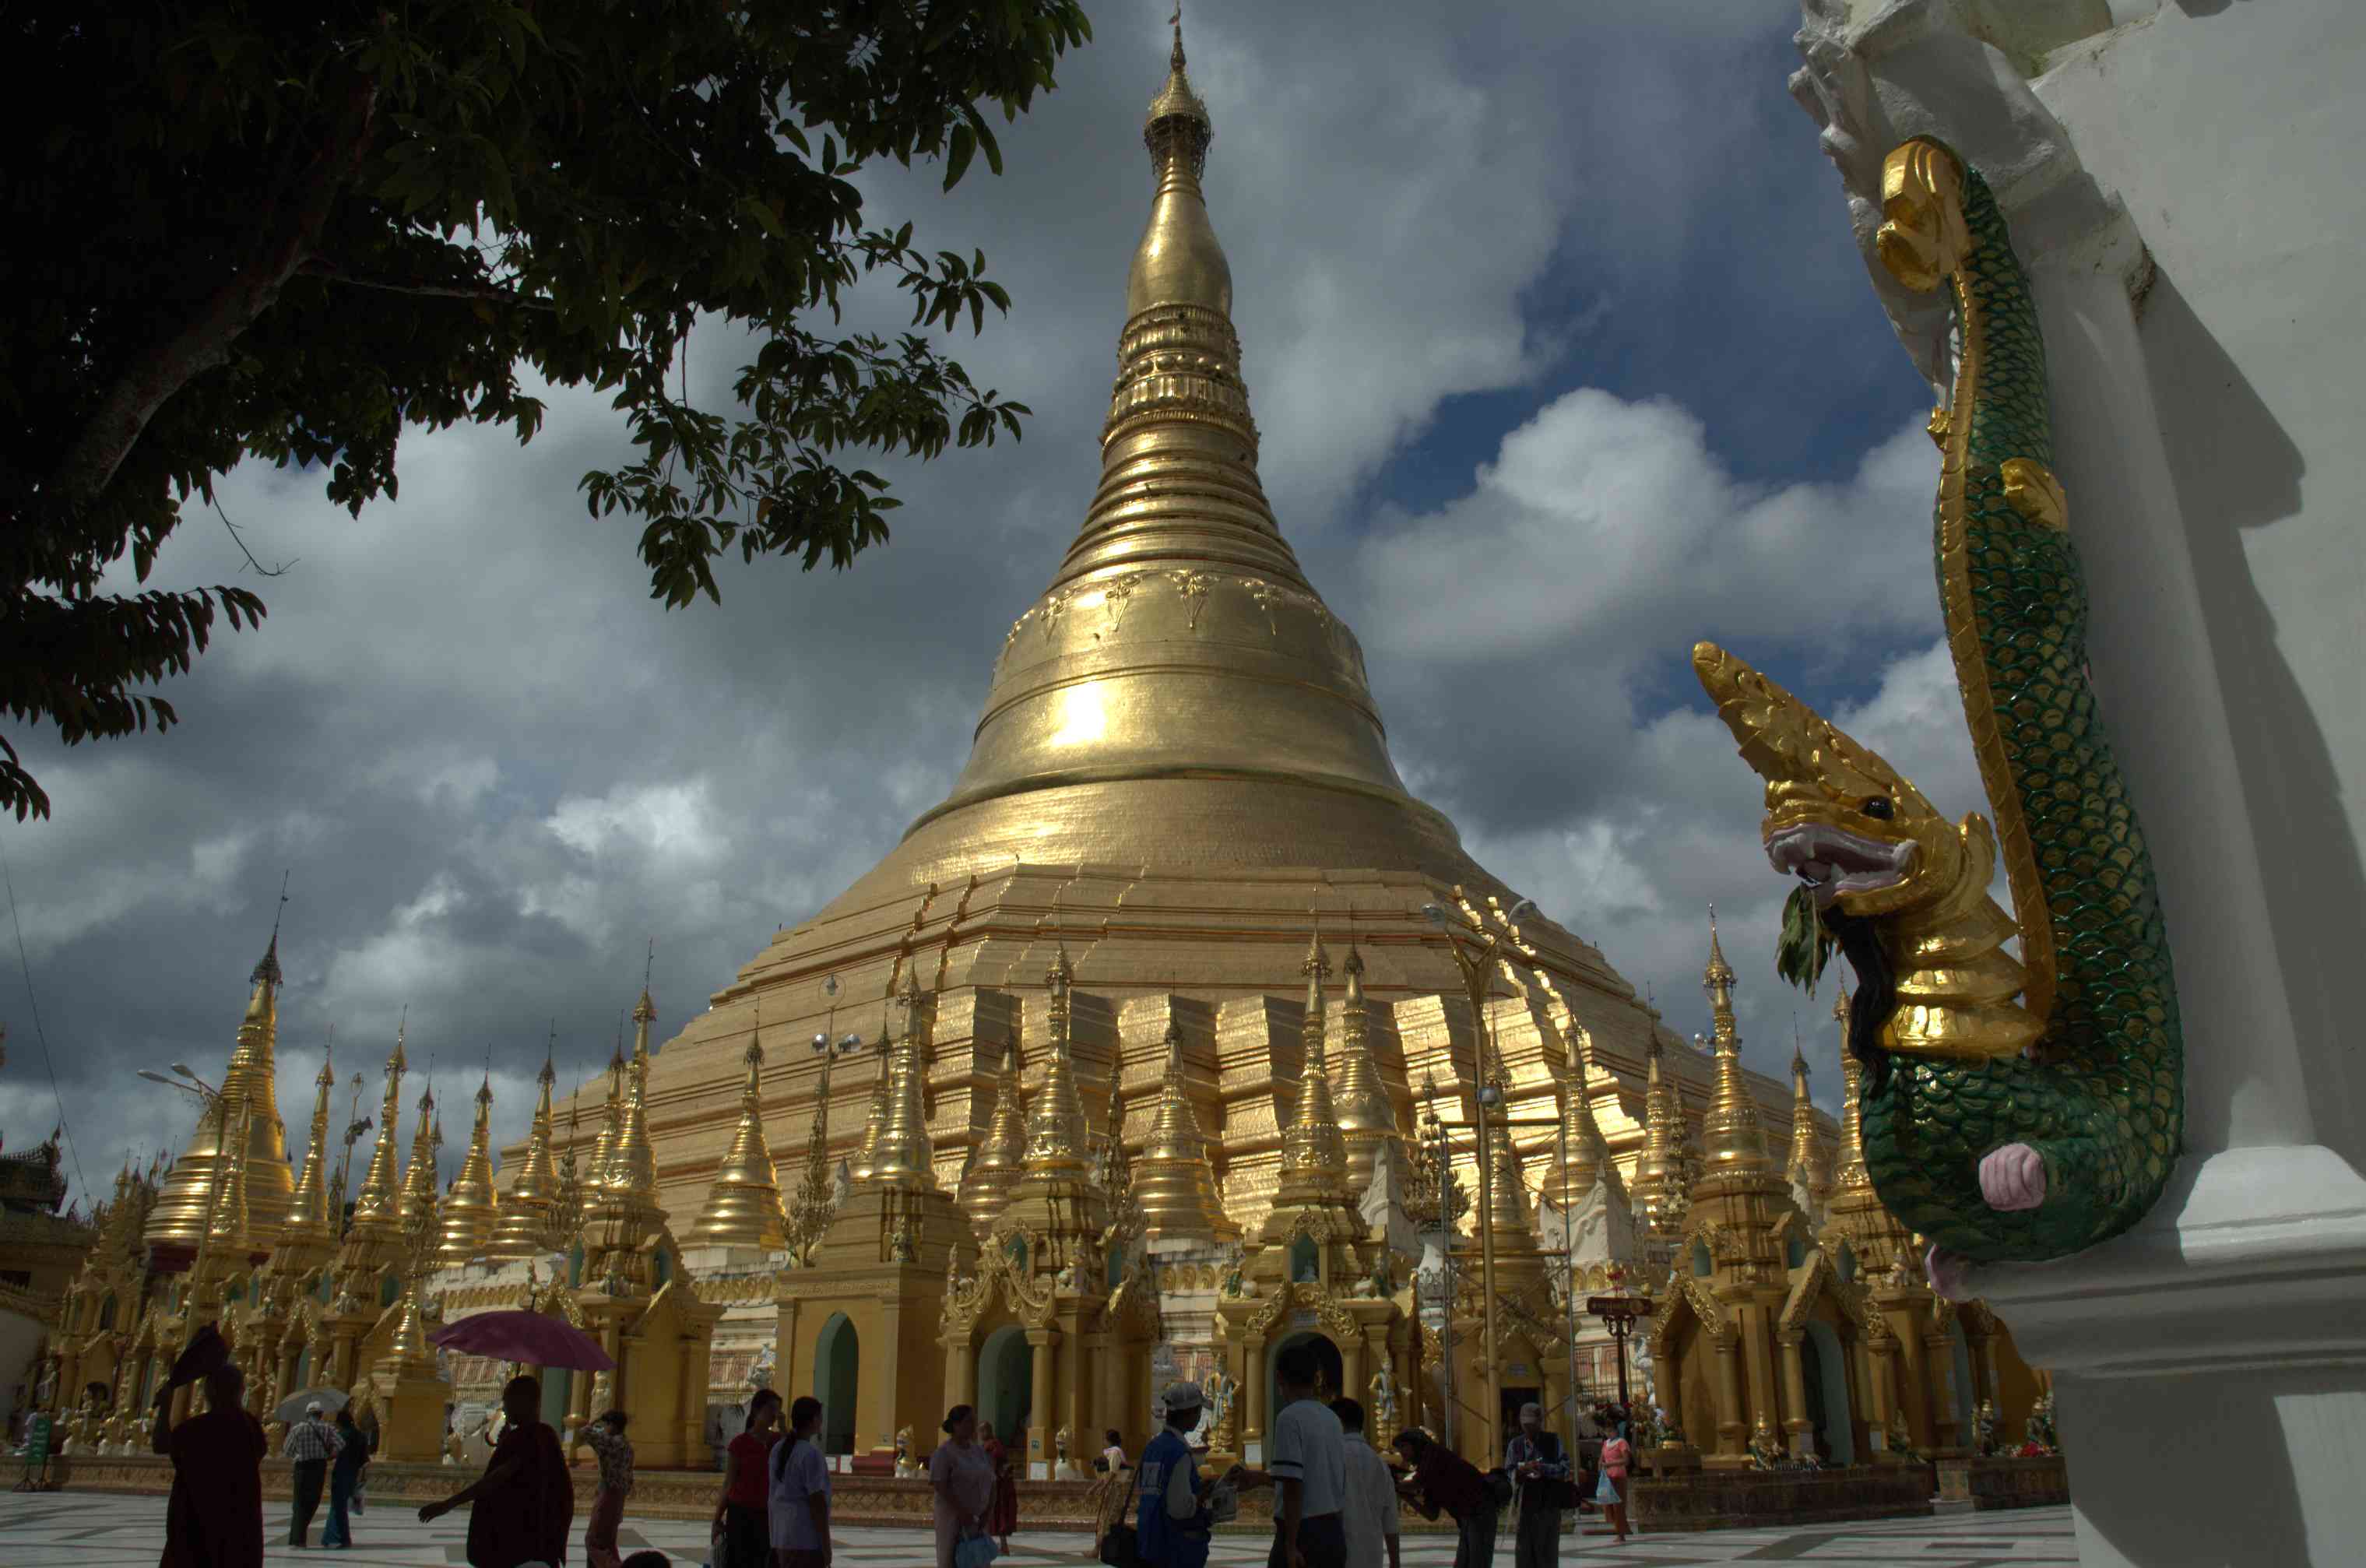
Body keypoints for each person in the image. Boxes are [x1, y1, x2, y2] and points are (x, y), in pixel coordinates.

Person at [418, 1373, 573, 1568]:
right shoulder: (543, 1435)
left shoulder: (528, 1438)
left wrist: (449, 1503)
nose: (505, 1408)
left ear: (525, 1402)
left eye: (508, 1400)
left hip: (520, 1538)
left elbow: (496, 1479)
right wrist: (504, 1445)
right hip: (538, 1538)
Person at [1227, 1344, 1347, 1568]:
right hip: (1333, 1531)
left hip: (1302, 1533)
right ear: (1316, 1378)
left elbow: (1293, 1485)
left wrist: (1291, 1546)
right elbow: (1313, 1476)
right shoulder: (1332, 1418)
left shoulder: (1289, 1418)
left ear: (1279, 1378)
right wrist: (1261, 1478)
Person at [152, 1362, 266, 1568]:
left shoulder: (194, 1429)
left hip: (194, 1530)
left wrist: (166, 1405)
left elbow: (161, 1445)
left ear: (207, 1392)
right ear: (241, 1391)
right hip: (238, 1532)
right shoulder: (250, 1427)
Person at [1134, 1381, 1213, 1568]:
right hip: (1175, 1549)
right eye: (1198, 1412)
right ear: (1188, 1413)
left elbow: (1150, 1490)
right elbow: (1180, 1509)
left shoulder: (1152, 1448)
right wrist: (1202, 1495)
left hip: (1149, 1542)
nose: (1199, 1417)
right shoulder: (1179, 1453)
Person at [1391, 1428, 1494, 1568]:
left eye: (1404, 1446)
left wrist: (1394, 1486)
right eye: (1399, 1449)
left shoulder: (1433, 1453)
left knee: (1477, 1563)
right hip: (1467, 1516)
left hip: (1480, 1511)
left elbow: (1417, 1483)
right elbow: (1431, 1515)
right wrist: (1405, 1496)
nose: (1401, 1452)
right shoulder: (1427, 1472)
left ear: (1416, 1444)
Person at [714, 1388, 781, 1568]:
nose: (774, 1415)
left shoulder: (779, 1442)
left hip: (769, 1515)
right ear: (756, 1410)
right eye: (770, 1409)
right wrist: (717, 1519)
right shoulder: (740, 1443)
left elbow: (795, 1449)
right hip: (741, 1514)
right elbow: (729, 1483)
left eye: (777, 1410)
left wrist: (783, 1427)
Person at [1329, 1399, 1400, 1568]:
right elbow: (1390, 1520)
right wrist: (1395, 1562)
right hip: (1372, 1556)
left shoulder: (1331, 1458)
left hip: (1336, 1555)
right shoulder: (1380, 1463)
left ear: (1337, 1423)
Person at [927, 1404, 996, 1568]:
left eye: (974, 1421)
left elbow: (992, 1480)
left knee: (978, 1559)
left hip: (978, 1519)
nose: (972, 1426)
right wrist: (962, 1512)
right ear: (956, 1425)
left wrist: (988, 1511)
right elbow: (940, 1486)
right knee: (952, 1560)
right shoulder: (944, 1454)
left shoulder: (979, 1452)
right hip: (952, 1519)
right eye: (968, 1422)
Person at [1503, 1403, 1571, 1568]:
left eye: (1532, 1425)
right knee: (1525, 1556)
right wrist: (1521, 1471)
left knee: (1547, 1555)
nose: (1529, 1429)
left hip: (1549, 1506)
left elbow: (1564, 1469)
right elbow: (1508, 1472)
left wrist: (1542, 1468)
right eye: (1526, 1425)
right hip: (1525, 1508)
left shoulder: (1553, 1441)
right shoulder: (1515, 1444)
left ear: (1540, 1422)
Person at [768, 1394, 831, 1568]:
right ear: (813, 1420)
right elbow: (817, 1502)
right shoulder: (811, 1454)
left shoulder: (778, 1449)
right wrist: (826, 1545)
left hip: (780, 1536)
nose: (821, 1421)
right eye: (820, 1417)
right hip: (805, 1539)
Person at [283, 1400, 343, 1548]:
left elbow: (288, 1450)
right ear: (321, 1414)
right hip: (319, 1467)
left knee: (299, 1503)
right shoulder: (328, 1428)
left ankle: (297, 1539)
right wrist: (330, 1455)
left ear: (307, 1414)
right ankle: (299, 1537)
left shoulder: (298, 1429)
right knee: (313, 1501)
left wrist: (299, 1454)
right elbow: (341, 1444)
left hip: (302, 1467)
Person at [582, 1409, 635, 1568]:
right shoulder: (627, 1446)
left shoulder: (610, 1442)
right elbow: (629, 1476)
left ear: (612, 1425)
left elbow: (584, 1431)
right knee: (608, 1541)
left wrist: (596, 1419)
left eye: (606, 1425)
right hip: (619, 1496)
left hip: (608, 1494)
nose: (604, 1428)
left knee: (593, 1540)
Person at [321, 1405, 369, 1550]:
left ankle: (340, 1538)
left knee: (338, 1506)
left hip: (341, 1472)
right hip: (352, 1474)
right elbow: (364, 1460)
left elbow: (332, 1454)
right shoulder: (361, 1436)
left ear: (340, 1423)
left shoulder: (341, 1435)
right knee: (339, 1506)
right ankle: (331, 1537)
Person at [978, 1419, 1018, 1553]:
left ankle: (997, 1546)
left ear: (987, 1431)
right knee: (993, 1516)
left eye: (982, 1431)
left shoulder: (993, 1445)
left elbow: (993, 1463)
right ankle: (1001, 1545)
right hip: (993, 1485)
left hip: (996, 1486)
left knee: (995, 1515)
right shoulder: (988, 1445)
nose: (981, 1434)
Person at [1596, 1420, 1633, 1545]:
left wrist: (1610, 1464)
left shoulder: (1621, 1442)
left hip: (1618, 1476)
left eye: (1611, 1430)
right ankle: (1623, 1528)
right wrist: (1600, 1467)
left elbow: (1626, 1460)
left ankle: (1621, 1534)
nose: (1609, 1433)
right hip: (1607, 1478)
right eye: (1606, 1431)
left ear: (1616, 1431)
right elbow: (1601, 1458)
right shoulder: (1606, 1443)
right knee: (1609, 1506)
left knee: (1618, 1506)